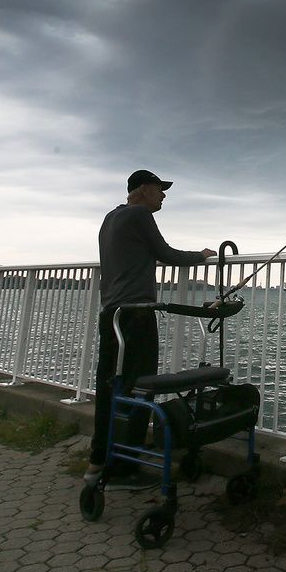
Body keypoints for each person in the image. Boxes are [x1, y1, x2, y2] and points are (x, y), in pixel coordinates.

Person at [85, 169, 216, 487]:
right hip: (136, 316)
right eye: (160, 189)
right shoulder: (140, 215)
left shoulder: (110, 218)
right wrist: (201, 255)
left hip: (112, 314)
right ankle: (124, 469)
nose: (164, 195)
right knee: (138, 388)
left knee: (110, 389)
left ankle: (98, 461)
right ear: (143, 189)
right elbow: (166, 254)